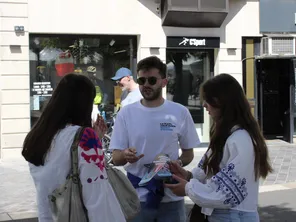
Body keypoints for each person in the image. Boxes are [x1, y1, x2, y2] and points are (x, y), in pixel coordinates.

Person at [165, 74, 273, 222]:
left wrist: (188, 188)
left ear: (221, 102)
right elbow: (212, 176)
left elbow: (227, 193)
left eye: (207, 99)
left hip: (233, 216)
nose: (203, 105)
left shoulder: (240, 139)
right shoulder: (228, 135)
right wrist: (187, 176)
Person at [22, 73, 125, 222]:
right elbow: (97, 197)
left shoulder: (38, 136)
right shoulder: (84, 137)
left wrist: (94, 139)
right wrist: (92, 140)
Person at [110, 56, 200, 222]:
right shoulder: (126, 113)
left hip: (172, 196)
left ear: (164, 82)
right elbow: (115, 159)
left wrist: (176, 165)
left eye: (152, 80)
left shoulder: (179, 112)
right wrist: (125, 155)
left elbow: (188, 154)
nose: (146, 85)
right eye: (142, 80)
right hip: (137, 199)